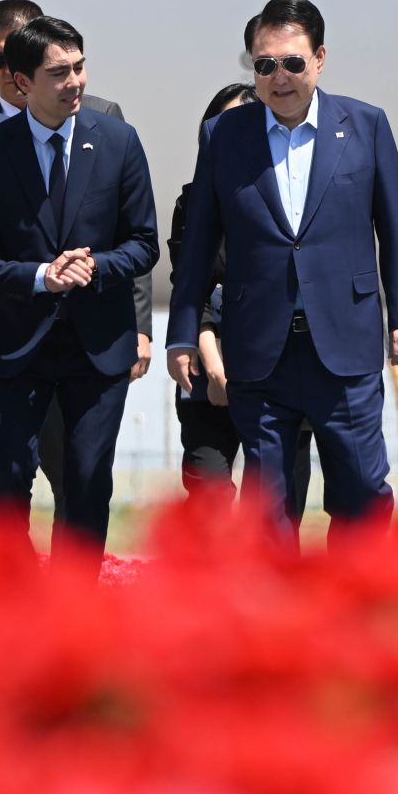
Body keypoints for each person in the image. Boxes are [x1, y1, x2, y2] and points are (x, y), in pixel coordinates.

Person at [166, 0, 398, 541]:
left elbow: (395, 227)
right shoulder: (225, 136)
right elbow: (199, 243)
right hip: (259, 351)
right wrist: (182, 332)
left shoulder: (366, 125)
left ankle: (359, 611)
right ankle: (277, 620)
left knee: (362, 492)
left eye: (292, 63)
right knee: (269, 510)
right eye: (264, 65)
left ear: (320, 59)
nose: (278, 77)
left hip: (345, 347)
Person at [0, 17, 158, 569]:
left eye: (79, 67)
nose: (75, 82)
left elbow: (144, 242)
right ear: (20, 82)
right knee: (5, 479)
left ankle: (73, 619)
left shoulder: (118, 140)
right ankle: (9, 608)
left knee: (86, 481)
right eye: (58, 73)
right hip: (17, 344)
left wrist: (95, 266)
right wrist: (40, 276)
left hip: (97, 343)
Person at [169, 81, 318, 509]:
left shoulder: (293, 201)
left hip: (279, 367)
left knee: (278, 497)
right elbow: (190, 289)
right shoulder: (192, 202)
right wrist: (215, 371)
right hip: (208, 360)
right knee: (207, 489)